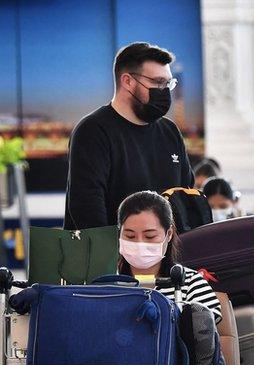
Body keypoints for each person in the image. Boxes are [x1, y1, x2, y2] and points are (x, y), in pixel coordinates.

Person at [117, 191, 224, 365]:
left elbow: (203, 344)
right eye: (130, 236)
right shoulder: (106, 286)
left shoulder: (191, 283)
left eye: (150, 235)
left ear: (168, 234)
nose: (139, 243)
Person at [65, 42, 191, 230]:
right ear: (128, 81)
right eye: (157, 82)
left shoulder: (170, 131)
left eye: (168, 84)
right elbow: (87, 209)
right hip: (109, 255)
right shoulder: (92, 130)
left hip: (163, 256)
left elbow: (185, 199)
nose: (164, 91)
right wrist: (117, 257)